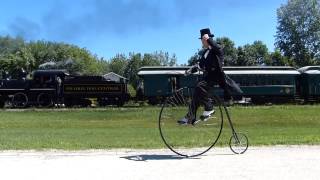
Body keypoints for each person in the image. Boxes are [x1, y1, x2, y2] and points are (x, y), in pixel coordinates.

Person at [178, 28, 242, 125]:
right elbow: (200, 66)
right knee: (196, 94)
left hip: (216, 76)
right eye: (202, 40)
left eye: (203, 40)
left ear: (206, 39)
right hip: (208, 77)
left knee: (200, 86)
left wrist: (208, 39)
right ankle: (190, 116)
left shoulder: (217, 49)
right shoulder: (205, 53)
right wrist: (189, 71)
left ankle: (209, 108)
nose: (202, 42)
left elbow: (217, 48)